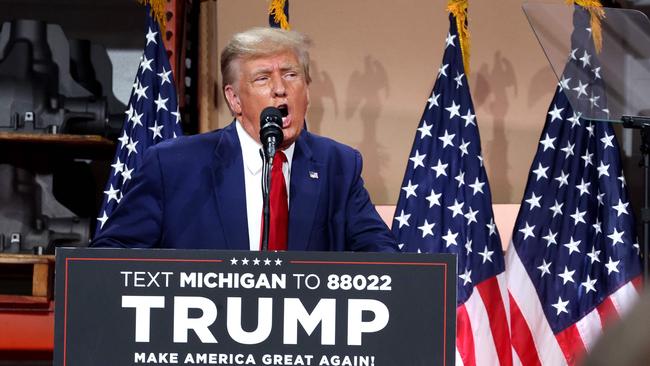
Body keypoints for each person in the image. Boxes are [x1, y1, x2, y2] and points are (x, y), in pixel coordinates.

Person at [92, 27, 398, 252]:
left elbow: (383, 257)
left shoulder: (338, 165)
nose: (280, 89)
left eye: (291, 75)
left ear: (307, 89)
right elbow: (111, 254)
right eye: (263, 78)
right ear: (235, 99)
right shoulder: (174, 166)